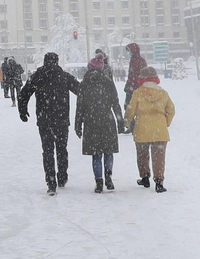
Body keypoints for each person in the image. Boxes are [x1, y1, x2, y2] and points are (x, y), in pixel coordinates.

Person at [19, 51, 82, 195]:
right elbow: (80, 91)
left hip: (44, 119)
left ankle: (51, 180)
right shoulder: (64, 76)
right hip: (61, 119)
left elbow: (24, 93)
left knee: (47, 151)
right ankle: (62, 175)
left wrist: (22, 111)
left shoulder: (37, 76)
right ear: (57, 61)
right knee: (61, 148)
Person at [76, 53, 123, 192]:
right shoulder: (108, 82)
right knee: (108, 151)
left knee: (96, 153)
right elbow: (115, 103)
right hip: (107, 120)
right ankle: (108, 177)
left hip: (91, 122)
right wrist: (120, 121)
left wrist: (78, 124)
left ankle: (99, 182)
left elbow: (80, 107)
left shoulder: (84, 84)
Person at [125, 65, 176, 191]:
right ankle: (159, 182)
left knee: (142, 155)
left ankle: (145, 178)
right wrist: (166, 123)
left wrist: (127, 121)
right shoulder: (163, 93)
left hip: (142, 130)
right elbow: (171, 110)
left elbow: (130, 110)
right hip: (160, 131)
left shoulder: (138, 93)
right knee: (159, 157)